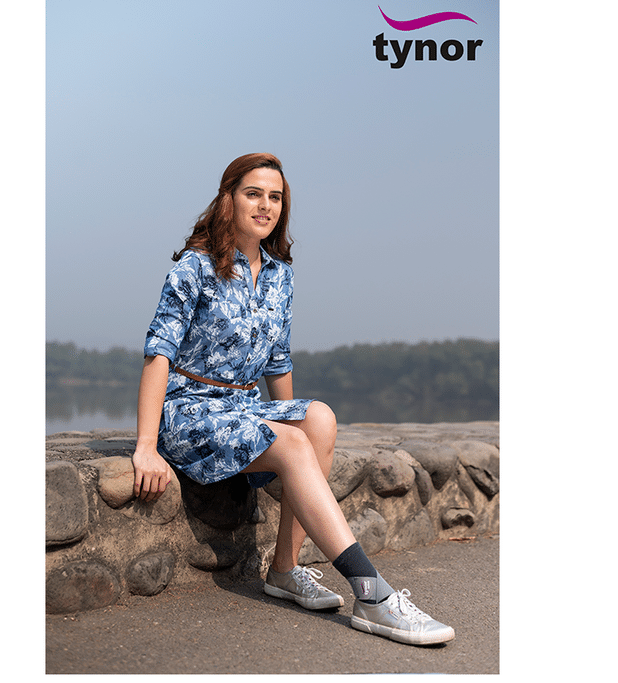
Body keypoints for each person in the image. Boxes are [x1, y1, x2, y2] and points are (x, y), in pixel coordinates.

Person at [132, 152, 454, 646]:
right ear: (228, 199)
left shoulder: (280, 274)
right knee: (295, 443)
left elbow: (277, 361)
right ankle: (372, 594)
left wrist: (292, 422)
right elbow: (158, 354)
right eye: (253, 194)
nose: (266, 205)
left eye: (275, 197)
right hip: (189, 410)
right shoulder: (196, 267)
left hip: (242, 406)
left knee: (319, 418)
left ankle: (284, 569)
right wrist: (145, 446)